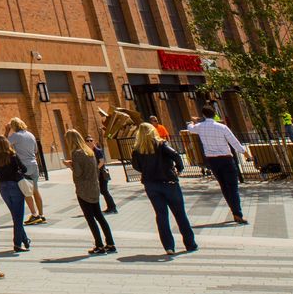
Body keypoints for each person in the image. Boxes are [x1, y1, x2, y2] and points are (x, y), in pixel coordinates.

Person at [130, 123, 195, 255]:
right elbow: (176, 154)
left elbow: (136, 166)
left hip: (151, 185)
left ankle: (168, 247)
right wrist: (179, 168)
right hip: (169, 182)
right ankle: (190, 244)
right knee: (180, 214)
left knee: (161, 215)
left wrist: (146, 171)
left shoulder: (137, 149)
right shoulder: (161, 145)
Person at [188, 105, 247, 225]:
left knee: (224, 186)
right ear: (214, 114)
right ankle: (237, 213)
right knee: (232, 187)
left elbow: (190, 129)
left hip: (213, 161)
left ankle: (234, 211)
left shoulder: (200, 127)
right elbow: (233, 141)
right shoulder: (222, 127)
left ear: (203, 115)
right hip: (226, 159)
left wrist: (192, 121)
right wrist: (245, 153)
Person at [64, 129, 115, 255]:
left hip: (83, 189)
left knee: (90, 218)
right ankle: (110, 243)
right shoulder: (89, 151)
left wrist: (69, 165)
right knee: (99, 216)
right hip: (94, 186)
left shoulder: (76, 153)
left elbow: (78, 172)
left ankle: (99, 245)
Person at [0, 135, 29, 253]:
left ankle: (25, 240)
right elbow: (24, 168)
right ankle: (17, 243)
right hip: (14, 185)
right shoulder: (12, 155)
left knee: (16, 215)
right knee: (18, 216)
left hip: (3, 187)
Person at [4, 118, 45, 225]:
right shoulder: (30, 135)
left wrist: (7, 131)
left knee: (26, 191)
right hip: (34, 164)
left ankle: (34, 215)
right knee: (35, 190)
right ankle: (41, 214)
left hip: (24, 165)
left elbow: (4, 145)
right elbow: (36, 150)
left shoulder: (16, 136)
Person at [87, 133, 118, 213]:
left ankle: (113, 207)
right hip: (97, 174)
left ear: (93, 141)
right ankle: (110, 207)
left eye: (91, 140)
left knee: (104, 191)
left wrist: (95, 169)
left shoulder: (97, 151)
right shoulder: (89, 151)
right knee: (103, 191)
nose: (90, 142)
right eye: (88, 141)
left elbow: (102, 161)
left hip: (101, 174)